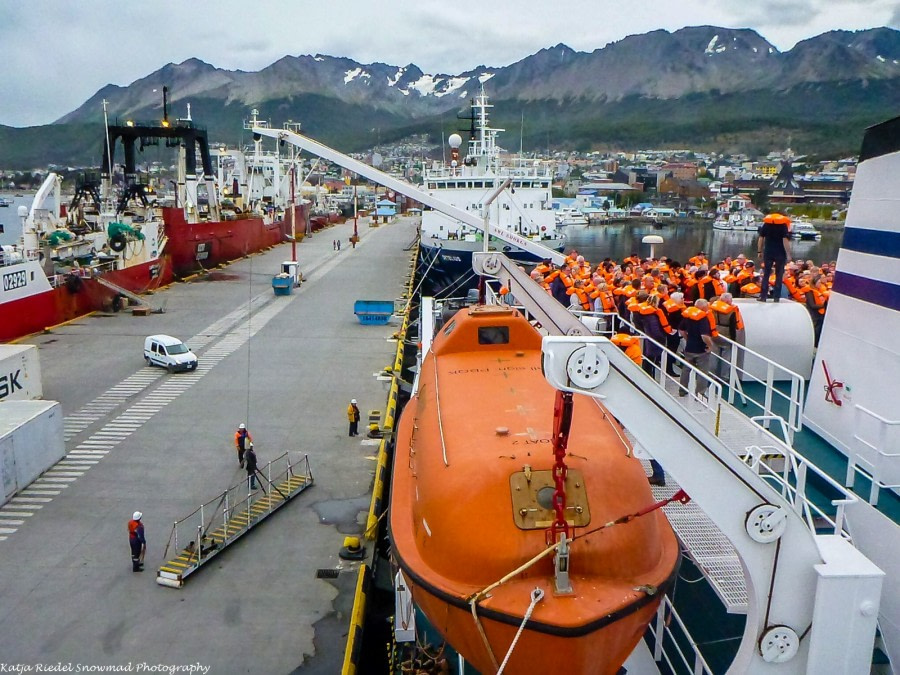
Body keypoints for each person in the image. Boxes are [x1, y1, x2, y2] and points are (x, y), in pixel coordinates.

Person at [679, 298, 717, 397]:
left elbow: (682, 330)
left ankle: (682, 390)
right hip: (701, 350)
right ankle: (700, 394)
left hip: (689, 347)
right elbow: (704, 336)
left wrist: (687, 339)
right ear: (703, 307)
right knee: (702, 373)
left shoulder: (687, 316)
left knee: (686, 370)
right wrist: (710, 346)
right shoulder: (703, 318)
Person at [757, 214, 792, 302]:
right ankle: (776, 297)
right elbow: (785, 240)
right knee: (779, 275)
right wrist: (788, 254)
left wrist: (759, 251)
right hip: (780, 253)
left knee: (766, 275)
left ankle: (763, 296)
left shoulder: (766, 225)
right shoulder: (783, 226)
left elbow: (761, 238)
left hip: (768, 252)